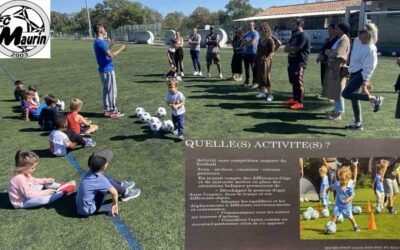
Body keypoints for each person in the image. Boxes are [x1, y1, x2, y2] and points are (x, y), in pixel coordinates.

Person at [342, 23, 383, 130]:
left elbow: (370, 66)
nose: (359, 32)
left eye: (363, 31)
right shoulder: (356, 41)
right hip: (354, 71)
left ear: (369, 34)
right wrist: (348, 67)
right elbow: (353, 55)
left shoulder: (371, 48)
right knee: (354, 99)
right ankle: (358, 123)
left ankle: (375, 98)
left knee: (346, 94)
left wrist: (365, 81)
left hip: (361, 73)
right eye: (360, 30)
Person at [76, 149, 141, 217]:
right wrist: (114, 204)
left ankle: (121, 185)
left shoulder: (89, 172)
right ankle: (126, 193)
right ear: (103, 167)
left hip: (81, 208)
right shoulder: (101, 180)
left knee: (103, 177)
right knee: (108, 182)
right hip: (89, 210)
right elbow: (114, 193)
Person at [8, 150, 76, 209]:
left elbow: (34, 180)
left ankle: (60, 186)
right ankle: (62, 192)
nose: (35, 169)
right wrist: (45, 192)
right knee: (44, 200)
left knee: (41, 183)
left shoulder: (24, 172)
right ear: (23, 167)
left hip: (26, 193)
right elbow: (29, 195)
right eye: (32, 168)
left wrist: (46, 180)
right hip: (22, 201)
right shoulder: (19, 178)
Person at [93, 24, 126, 119]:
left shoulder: (97, 42)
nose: (105, 30)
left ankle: (107, 110)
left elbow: (105, 54)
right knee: (111, 90)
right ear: (100, 31)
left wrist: (110, 46)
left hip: (103, 69)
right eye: (103, 28)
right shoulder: (101, 42)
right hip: (107, 69)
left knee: (106, 90)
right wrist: (121, 48)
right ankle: (113, 110)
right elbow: (111, 55)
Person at [322, 22, 351, 120]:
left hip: (339, 68)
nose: (335, 30)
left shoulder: (345, 40)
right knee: (335, 90)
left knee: (339, 91)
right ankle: (336, 110)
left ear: (342, 30)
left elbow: (337, 53)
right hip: (334, 67)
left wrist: (328, 52)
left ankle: (339, 113)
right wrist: (330, 52)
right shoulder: (340, 39)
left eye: (337, 28)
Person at [283, 18, 310, 110]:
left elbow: (296, 49)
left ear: (299, 25)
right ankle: (295, 99)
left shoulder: (303, 36)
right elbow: (285, 49)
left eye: (294, 25)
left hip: (300, 63)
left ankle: (300, 102)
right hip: (291, 62)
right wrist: (291, 48)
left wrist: (291, 48)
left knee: (299, 82)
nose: (292, 27)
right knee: (294, 81)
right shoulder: (294, 35)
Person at [330, 167, 360, 232]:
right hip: (338, 204)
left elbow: (353, 195)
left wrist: (349, 199)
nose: (342, 182)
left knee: (350, 216)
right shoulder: (337, 184)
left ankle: (355, 225)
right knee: (334, 215)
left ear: (348, 179)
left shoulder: (349, 187)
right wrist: (327, 189)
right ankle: (331, 227)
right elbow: (331, 187)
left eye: (344, 180)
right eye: (341, 180)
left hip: (346, 205)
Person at [253, 23, 275, 101]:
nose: (260, 31)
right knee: (260, 77)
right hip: (259, 60)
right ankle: (262, 92)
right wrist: (255, 61)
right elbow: (258, 51)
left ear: (266, 29)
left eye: (262, 29)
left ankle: (270, 95)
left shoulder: (270, 39)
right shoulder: (260, 39)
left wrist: (267, 58)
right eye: (260, 29)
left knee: (266, 78)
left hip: (266, 61)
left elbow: (272, 52)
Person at [317, 24, 339, 93]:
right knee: (323, 77)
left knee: (330, 77)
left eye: (330, 29)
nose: (329, 31)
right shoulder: (327, 39)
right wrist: (320, 55)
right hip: (323, 61)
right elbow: (323, 49)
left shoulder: (337, 40)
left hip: (331, 62)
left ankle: (331, 94)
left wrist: (326, 55)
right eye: (328, 29)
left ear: (335, 30)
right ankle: (324, 91)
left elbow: (334, 51)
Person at [242, 21, 259, 88]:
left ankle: (255, 82)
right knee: (246, 69)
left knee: (254, 69)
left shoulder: (256, 33)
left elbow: (253, 43)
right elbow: (243, 42)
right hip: (246, 53)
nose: (250, 26)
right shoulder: (247, 33)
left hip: (253, 53)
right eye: (249, 25)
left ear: (254, 26)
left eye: (251, 25)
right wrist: (247, 42)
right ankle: (247, 81)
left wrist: (247, 42)